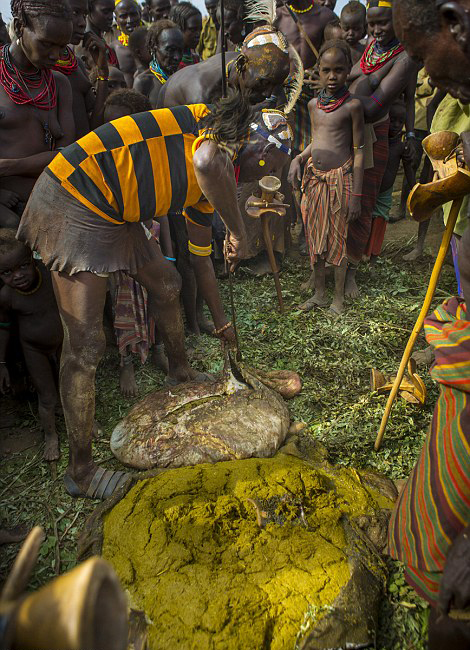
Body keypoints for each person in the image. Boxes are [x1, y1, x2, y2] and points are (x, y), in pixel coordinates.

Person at [16, 99, 292, 500]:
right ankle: (81, 471)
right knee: (86, 346)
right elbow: (205, 164)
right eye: (273, 170)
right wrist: (239, 233)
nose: (265, 179)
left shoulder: (214, 177)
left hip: (116, 209)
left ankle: (179, 371)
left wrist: (224, 327)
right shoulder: (211, 148)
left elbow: (201, 261)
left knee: (167, 284)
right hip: (73, 197)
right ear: (264, 154)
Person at [344, 0, 419, 298]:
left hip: (376, 131)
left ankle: (353, 269)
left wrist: (337, 99)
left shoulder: (405, 57)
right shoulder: (373, 47)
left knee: (364, 202)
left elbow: (374, 106)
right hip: (353, 129)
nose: (376, 30)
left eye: (383, 23)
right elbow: (354, 75)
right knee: (346, 194)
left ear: (398, 21)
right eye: (372, 24)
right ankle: (337, 265)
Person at [289, 41, 364, 315]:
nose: (333, 77)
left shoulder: (352, 107)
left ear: (348, 72)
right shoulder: (312, 105)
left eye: (339, 70)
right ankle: (320, 293)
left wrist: (356, 193)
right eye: (327, 71)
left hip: (339, 181)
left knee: (337, 238)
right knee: (315, 237)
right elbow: (315, 140)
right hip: (315, 180)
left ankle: (338, 300)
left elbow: (359, 151)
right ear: (318, 72)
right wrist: (299, 158)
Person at [0, 0, 75, 230]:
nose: (55, 55)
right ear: (20, 26)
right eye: (46, 44)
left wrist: (12, 166)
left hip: (52, 201)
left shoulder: (59, 84)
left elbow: (68, 156)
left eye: (62, 47)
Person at [0, 231, 62, 462]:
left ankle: (85, 423)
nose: (17, 276)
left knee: (70, 385)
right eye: (7, 272)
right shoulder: (7, 296)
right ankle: (50, 436)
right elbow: (4, 327)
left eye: (23, 266)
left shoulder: (50, 275)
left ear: (34, 260)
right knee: (46, 396)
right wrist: (2, 363)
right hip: (34, 349)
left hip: (62, 342)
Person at [159, 25, 291, 108]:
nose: (268, 93)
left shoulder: (253, 68)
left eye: (275, 85)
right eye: (264, 83)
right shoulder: (203, 94)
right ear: (241, 65)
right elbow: (209, 143)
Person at [53, 0, 110, 138]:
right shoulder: (39, 67)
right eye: (74, 13)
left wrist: (102, 73)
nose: (82, 23)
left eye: (84, 15)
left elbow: (94, 128)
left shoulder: (75, 63)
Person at [134, 19, 183, 104]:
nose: (177, 57)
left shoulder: (183, 78)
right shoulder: (144, 82)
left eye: (180, 50)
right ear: (153, 48)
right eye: (170, 50)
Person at [76, 0, 118, 69]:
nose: (111, 17)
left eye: (112, 12)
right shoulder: (84, 44)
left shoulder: (100, 41)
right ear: (89, 10)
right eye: (106, 12)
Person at [112, 0, 142, 86]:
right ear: (116, 20)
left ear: (140, 14)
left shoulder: (153, 42)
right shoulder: (113, 48)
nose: (129, 20)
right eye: (123, 16)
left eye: (133, 14)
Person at [169, 1, 202, 68]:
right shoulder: (171, 63)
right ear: (178, 28)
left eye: (200, 29)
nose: (198, 35)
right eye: (193, 30)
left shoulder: (195, 59)